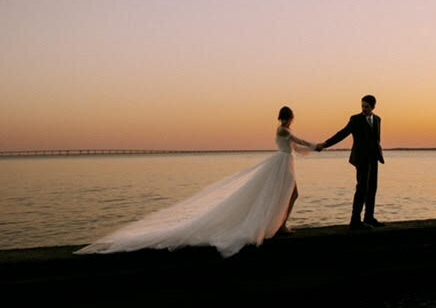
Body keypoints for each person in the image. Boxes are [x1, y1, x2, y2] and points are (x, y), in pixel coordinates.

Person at [75, 106, 316, 258]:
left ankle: (280, 224)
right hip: (281, 165)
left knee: (289, 195)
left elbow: (296, 147)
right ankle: (279, 225)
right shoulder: (282, 130)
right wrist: (316, 146)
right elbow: (298, 141)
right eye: (291, 116)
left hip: (284, 164)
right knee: (288, 195)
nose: (292, 120)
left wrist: (315, 148)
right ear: (287, 117)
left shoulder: (283, 132)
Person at [316, 95, 385, 230]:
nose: (364, 109)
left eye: (366, 107)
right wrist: (325, 144)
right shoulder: (356, 119)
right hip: (361, 159)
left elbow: (376, 140)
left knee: (372, 188)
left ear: (373, 107)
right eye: (362, 106)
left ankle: (369, 217)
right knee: (361, 189)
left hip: (374, 158)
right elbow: (342, 133)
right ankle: (355, 221)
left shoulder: (377, 119)